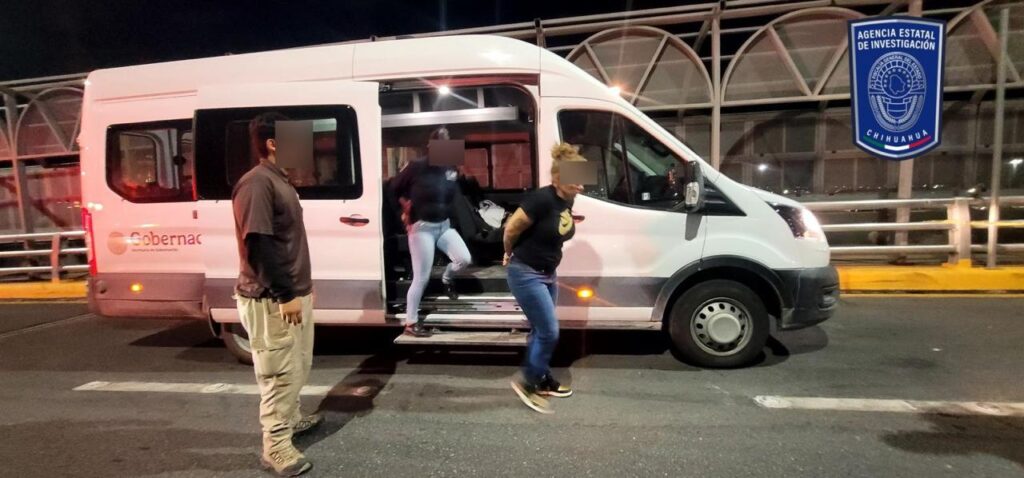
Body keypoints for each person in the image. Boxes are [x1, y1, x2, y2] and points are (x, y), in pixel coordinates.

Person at [232, 112, 321, 477]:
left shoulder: (280, 180)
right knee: (279, 374)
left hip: (291, 293)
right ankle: (276, 445)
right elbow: (258, 244)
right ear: (272, 144)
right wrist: (285, 294)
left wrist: (302, 289)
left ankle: (293, 418)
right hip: (271, 299)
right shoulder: (256, 183)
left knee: (297, 365)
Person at [504, 142, 585, 414]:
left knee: (540, 329)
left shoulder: (567, 200)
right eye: (575, 180)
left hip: (548, 273)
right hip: (525, 273)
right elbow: (511, 229)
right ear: (557, 178)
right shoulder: (541, 199)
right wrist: (507, 253)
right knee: (550, 331)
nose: (581, 186)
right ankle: (527, 382)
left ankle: (541, 378)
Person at [390, 127, 473, 337]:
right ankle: (410, 323)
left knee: (464, 259)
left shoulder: (451, 167)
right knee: (421, 277)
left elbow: (453, 191)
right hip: (422, 229)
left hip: (443, 225)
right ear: (431, 146)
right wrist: (403, 209)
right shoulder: (416, 166)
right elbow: (393, 188)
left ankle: (447, 278)